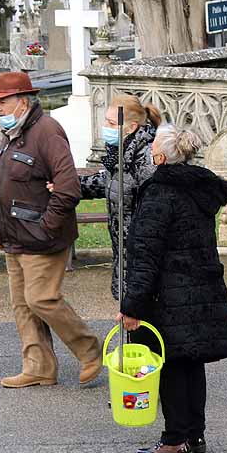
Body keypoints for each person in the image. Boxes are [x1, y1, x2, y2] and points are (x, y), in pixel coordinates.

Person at [118, 125, 227, 453]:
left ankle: (174, 439)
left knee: (169, 363)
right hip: (199, 287)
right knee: (190, 360)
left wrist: (132, 305)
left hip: (168, 293)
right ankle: (193, 431)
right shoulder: (199, 189)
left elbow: (146, 256)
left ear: (159, 156)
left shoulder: (160, 194)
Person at [0, 71, 101, 389]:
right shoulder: (10, 134)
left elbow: (67, 188)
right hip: (14, 238)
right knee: (22, 304)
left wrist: (46, 229)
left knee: (41, 299)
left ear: (23, 102)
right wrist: (0, 229)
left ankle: (90, 350)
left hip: (42, 239)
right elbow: (6, 188)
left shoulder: (47, 131)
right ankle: (38, 367)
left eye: (3, 101)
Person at [77, 95, 162, 301]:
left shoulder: (146, 157)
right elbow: (107, 182)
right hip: (124, 251)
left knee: (143, 313)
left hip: (141, 251)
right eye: (106, 120)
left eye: (111, 123)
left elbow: (154, 209)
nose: (105, 126)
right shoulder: (120, 153)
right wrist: (66, 184)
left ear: (131, 127)